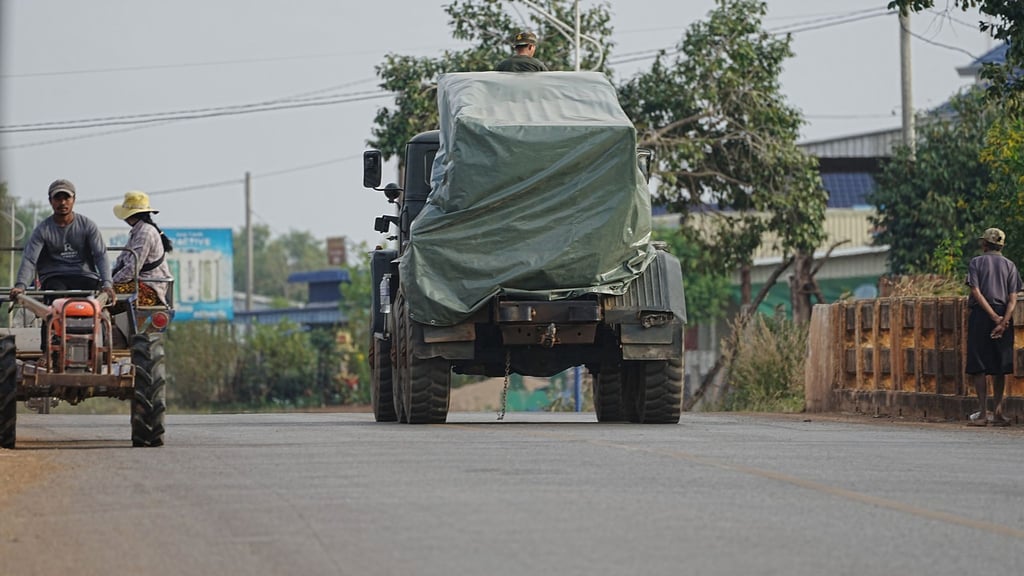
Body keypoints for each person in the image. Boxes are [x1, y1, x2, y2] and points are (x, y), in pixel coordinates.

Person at [10, 179, 115, 303]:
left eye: (66, 198)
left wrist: (107, 284)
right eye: (58, 199)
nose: (63, 203)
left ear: (74, 200)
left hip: (84, 276)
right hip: (54, 277)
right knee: (55, 298)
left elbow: (100, 255)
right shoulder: (42, 230)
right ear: (50, 201)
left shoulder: (87, 225)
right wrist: (21, 286)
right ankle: (52, 321)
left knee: (92, 300)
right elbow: (30, 259)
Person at [965, 227, 1022, 426]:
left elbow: (976, 292)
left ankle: (982, 414)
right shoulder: (1010, 265)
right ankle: (998, 413)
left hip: (982, 314)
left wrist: (993, 317)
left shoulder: (976, 262)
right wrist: (1004, 320)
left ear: (985, 244)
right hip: (1004, 315)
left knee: (979, 365)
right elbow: (1013, 297)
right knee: (1000, 366)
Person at [111, 191, 173, 306]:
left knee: (104, 297)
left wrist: (111, 283)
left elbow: (132, 269)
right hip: (138, 283)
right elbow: (122, 260)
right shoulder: (138, 231)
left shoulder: (145, 233)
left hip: (148, 288)